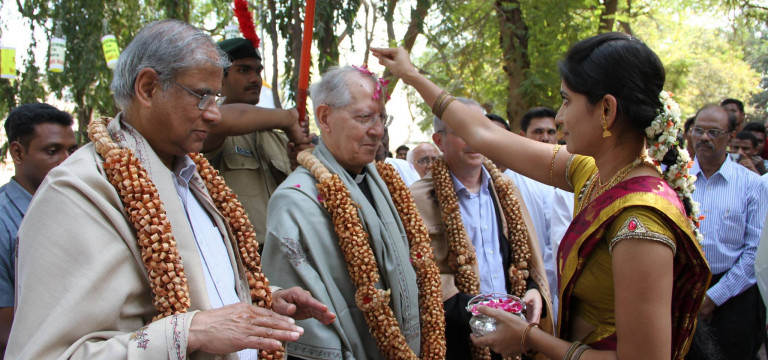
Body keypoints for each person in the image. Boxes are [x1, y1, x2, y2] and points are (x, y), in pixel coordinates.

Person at [7, 20, 334, 359]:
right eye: (202, 96)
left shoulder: (194, 175)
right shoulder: (75, 193)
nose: (214, 115)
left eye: (216, 97)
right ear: (148, 87)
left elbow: (205, 290)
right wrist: (188, 333)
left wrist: (263, 298)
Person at [373, 32, 710, 359]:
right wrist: (411, 75)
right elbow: (484, 133)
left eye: (566, 100)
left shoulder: (640, 221)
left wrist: (528, 338)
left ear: (606, 110)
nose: (559, 118)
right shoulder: (592, 173)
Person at [262, 65, 446, 360]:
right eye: (364, 118)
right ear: (324, 118)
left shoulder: (384, 181)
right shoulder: (295, 200)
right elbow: (304, 318)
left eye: (382, 118)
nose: (377, 131)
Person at [410, 100, 553, 360]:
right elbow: (420, 276)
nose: (474, 139)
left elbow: (527, 256)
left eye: (479, 128)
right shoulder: (417, 199)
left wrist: (533, 289)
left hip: (514, 335)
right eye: (463, 132)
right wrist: (482, 313)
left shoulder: (506, 189)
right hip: (456, 340)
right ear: (439, 141)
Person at [202, 37, 309, 244]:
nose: (255, 79)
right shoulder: (208, 124)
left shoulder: (275, 136)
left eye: (258, 71)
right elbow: (219, 120)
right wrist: (288, 118)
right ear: (219, 79)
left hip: (286, 253)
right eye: (243, 70)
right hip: (240, 259)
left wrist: (302, 162)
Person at [689, 104, 768, 360]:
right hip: (682, 289)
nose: (704, 138)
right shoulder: (671, 179)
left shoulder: (752, 185)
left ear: (731, 136)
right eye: (698, 130)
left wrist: (714, 297)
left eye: (714, 132)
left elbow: (753, 252)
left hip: (732, 294)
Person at [0, 103, 78, 355]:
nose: (67, 162)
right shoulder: (4, 223)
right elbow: (6, 330)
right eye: (53, 151)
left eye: (72, 150)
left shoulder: (78, 208)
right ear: (18, 153)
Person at [488, 112, 571, 322]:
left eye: (551, 132)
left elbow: (554, 246)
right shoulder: (474, 187)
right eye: (538, 132)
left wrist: (544, 292)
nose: (545, 138)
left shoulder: (550, 182)